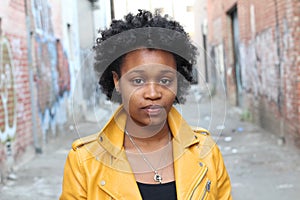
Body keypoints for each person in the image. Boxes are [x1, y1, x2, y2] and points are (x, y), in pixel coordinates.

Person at [60, 10, 232, 200]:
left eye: (165, 80)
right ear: (117, 81)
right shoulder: (84, 162)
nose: (153, 94)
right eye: (138, 80)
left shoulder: (206, 152)